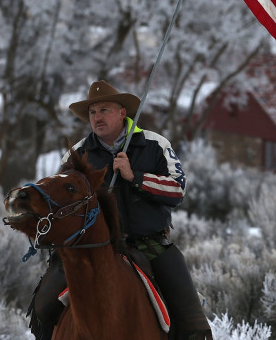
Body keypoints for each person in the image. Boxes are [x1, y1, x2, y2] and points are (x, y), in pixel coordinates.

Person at [28, 80, 212, 340]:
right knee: (43, 309)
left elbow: (177, 189)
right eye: (92, 112)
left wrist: (135, 176)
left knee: (193, 323)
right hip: (88, 248)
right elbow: (60, 202)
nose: (97, 117)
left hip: (149, 244)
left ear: (122, 113)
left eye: (104, 110)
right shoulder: (77, 155)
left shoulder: (154, 144)